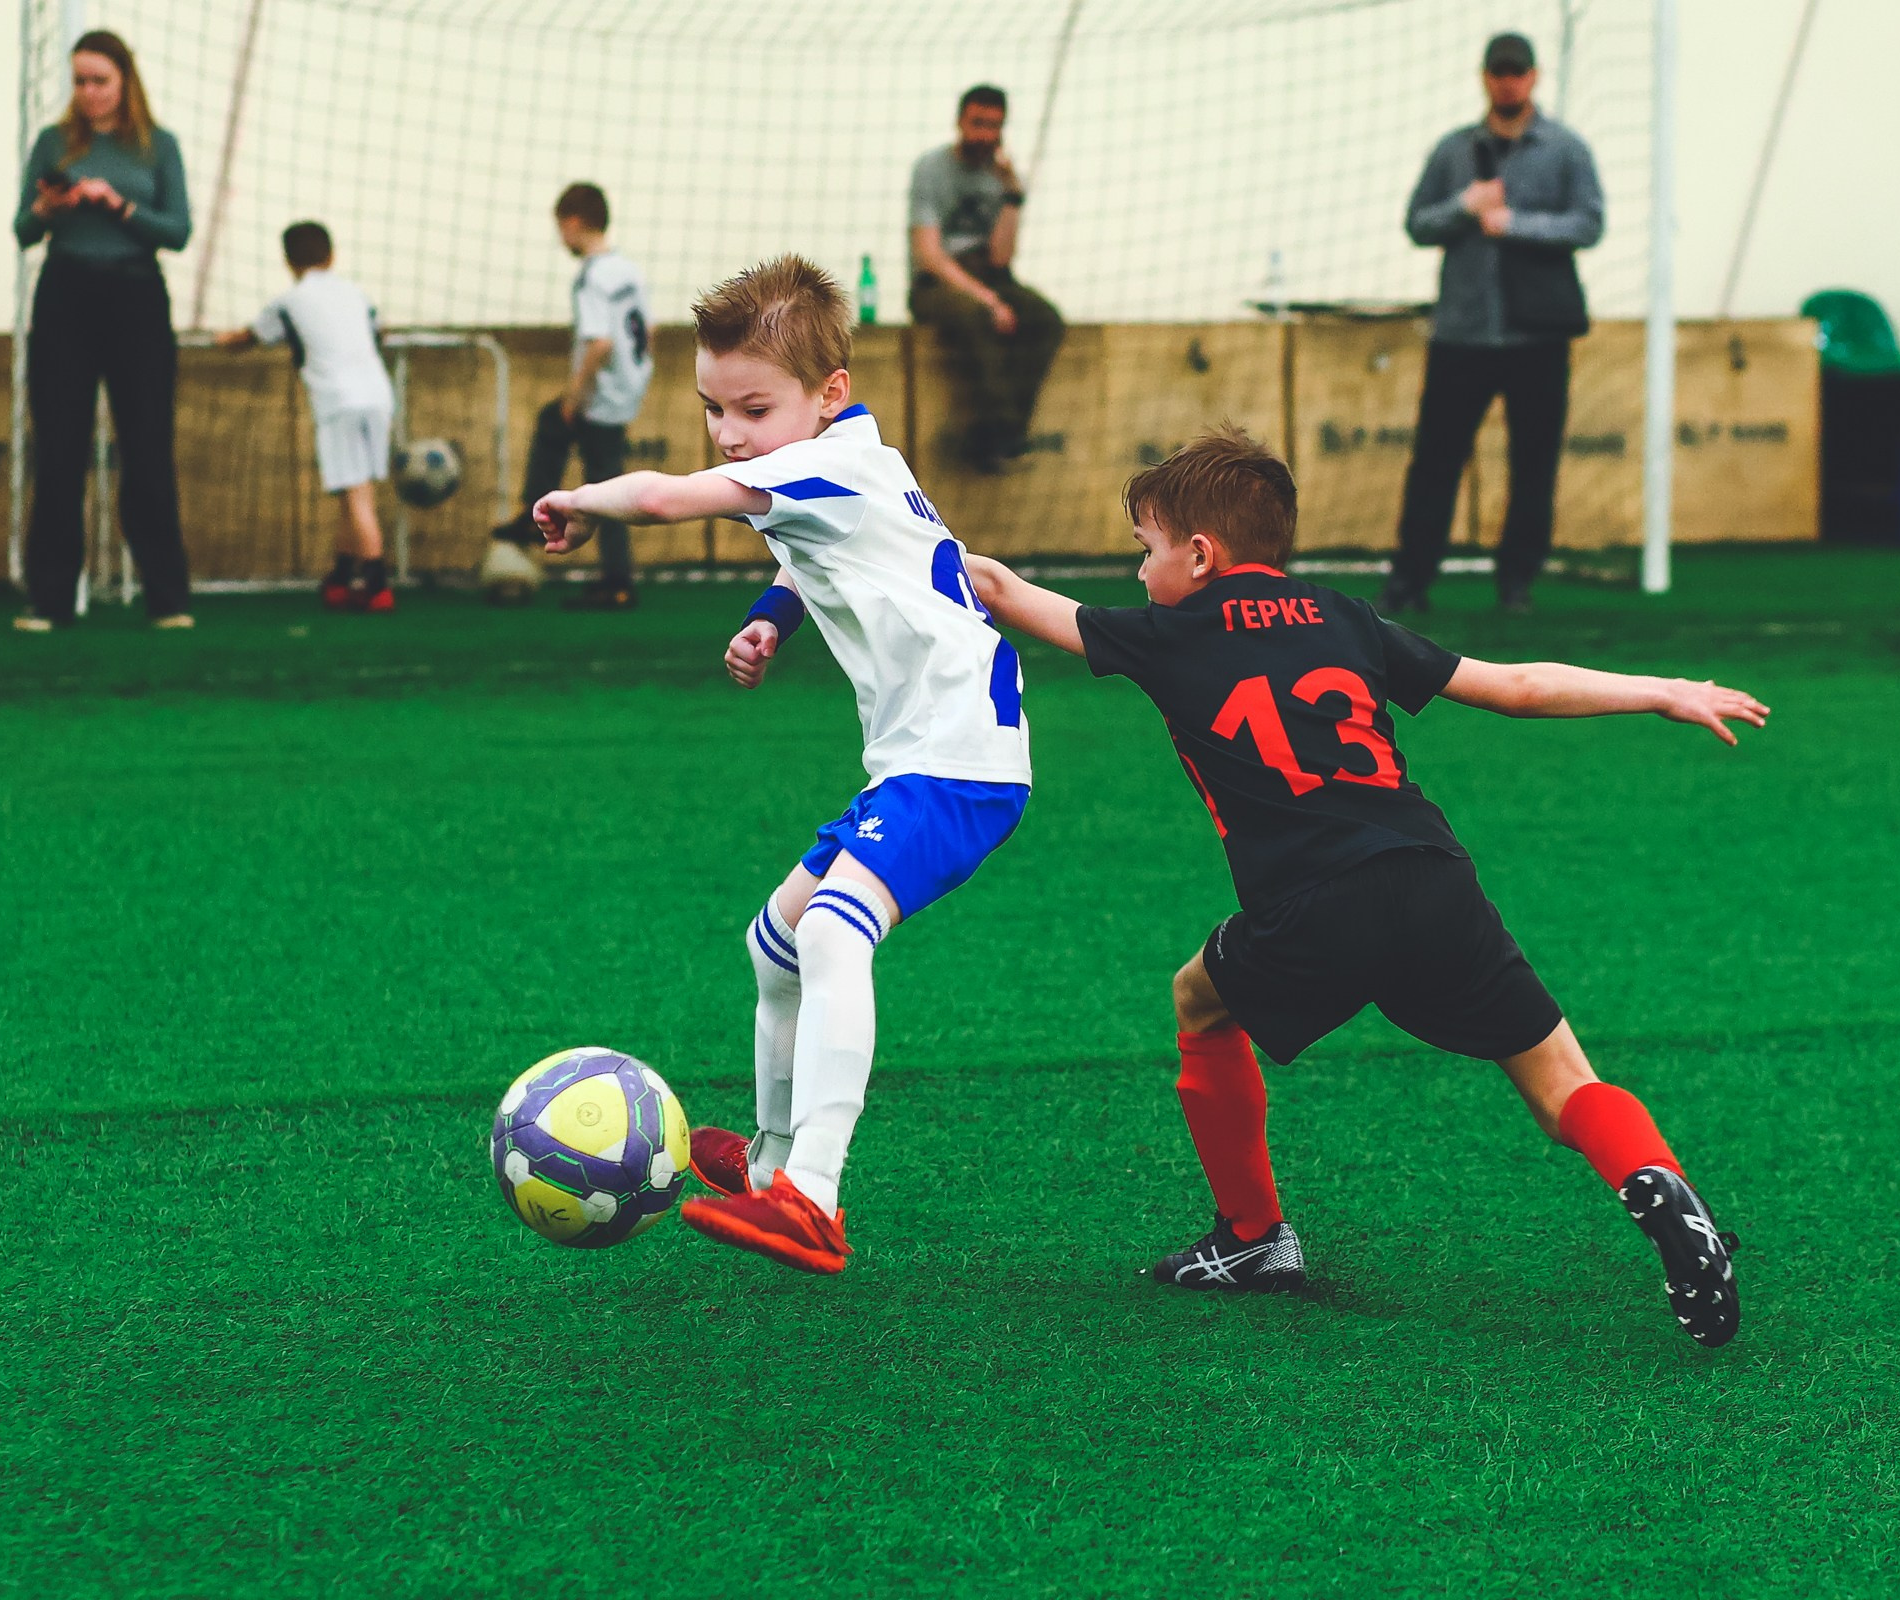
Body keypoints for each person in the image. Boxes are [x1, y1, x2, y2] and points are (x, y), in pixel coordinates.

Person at [965, 428, 1762, 1347]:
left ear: (1199, 554)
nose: (1139, 573)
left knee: (1199, 1000)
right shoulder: (1344, 617)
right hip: (1433, 879)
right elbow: (1518, 686)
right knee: (1562, 1083)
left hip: (1313, 901)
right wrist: (1662, 690)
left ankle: (1254, 1238)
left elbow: (998, 590)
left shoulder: (1164, 631)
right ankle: (1652, 1177)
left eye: (1144, 549)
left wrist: (883, 526)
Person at [530, 257, 1031, 1273]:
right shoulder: (850, 456)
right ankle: (766, 1164)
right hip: (919, 760)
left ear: (827, 393)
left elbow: (676, 500)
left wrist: (580, 493)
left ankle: (813, 1192)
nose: (728, 432)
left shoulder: (829, 463)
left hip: (958, 758)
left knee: (839, 932)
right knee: (777, 943)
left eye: (752, 407)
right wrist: (769, 620)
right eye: (714, 407)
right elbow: (810, 552)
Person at [1385, 32, 1604, 616]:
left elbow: (1588, 224)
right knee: (1435, 460)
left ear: (1533, 78)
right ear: (1485, 78)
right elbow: (1416, 223)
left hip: (1538, 338)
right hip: (1460, 334)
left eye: (1518, 72)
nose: (1508, 81)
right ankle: (1410, 581)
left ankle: (1516, 584)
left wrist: (1515, 223)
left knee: (1534, 462)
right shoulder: (1453, 151)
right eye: (1498, 72)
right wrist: (1465, 206)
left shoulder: (1566, 150)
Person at [11, 29, 193, 632]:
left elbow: (177, 231)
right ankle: (51, 599)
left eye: (100, 81)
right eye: (80, 81)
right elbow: (22, 229)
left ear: (124, 82)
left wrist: (117, 205)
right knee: (60, 447)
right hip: (67, 293)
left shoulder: (157, 146)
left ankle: (167, 598)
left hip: (136, 295)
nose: (88, 92)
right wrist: (49, 209)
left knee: (146, 445)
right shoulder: (52, 143)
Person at [486, 182, 655, 609]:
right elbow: (646, 332)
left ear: (574, 223)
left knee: (599, 477)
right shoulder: (627, 270)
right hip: (627, 388)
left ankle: (614, 581)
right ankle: (606, 572)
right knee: (587, 464)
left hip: (603, 394)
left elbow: (599, 343)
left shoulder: (592, 278)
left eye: (560, 228)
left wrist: (573, 397)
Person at [218, 221, 397, 612]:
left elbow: (249, 338)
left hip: (338, 402)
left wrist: (224, 339)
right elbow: (378, 332)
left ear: (288, 262)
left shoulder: (289, 302)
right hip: (379, 397)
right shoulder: (356, 294)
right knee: (355, 492)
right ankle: (340, 576)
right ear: (331, 256)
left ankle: (377, 584)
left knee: (356, 497)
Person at [908, 85, 1066, 472]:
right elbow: (929, 255)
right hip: (941, 283)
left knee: (1045, 320)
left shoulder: (999, 177)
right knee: (976, 317)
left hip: (991, 275)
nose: (985, 134)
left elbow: (1001, 257)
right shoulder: (932, 168)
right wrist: (988, 301)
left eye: (994, 125)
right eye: (978, 123)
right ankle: (990, 435)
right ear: (961, 122)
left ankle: (1006, 432)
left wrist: (1012, 196)